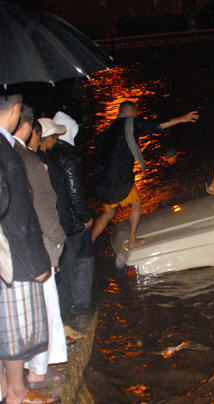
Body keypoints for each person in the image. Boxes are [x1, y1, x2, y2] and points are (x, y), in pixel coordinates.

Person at [0, 94, 59, 404]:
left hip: (8, 251)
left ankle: (9, 391)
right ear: (13, 111)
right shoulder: (6, 152)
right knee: (15, 333)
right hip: (12, 256)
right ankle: (17, 394)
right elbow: (18, 212)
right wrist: (38, 261)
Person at [13, 106, 68, 389]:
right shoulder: (29, 161)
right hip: (37, 248)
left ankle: (21, 368)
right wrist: (57, 243)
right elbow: (47, 209)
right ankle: (37, 370)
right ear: (30, 129)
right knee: (44, 309)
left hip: (12, 250)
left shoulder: (8, 155)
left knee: (16, 314)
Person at [92, 101, 199, 247]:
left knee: (108, 214)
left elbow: (99, 143)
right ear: (132, 112)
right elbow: (156, 125)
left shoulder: (111, 126)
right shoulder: (132, 122)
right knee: (136, 202)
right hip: (120, 177)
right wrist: (180, 119)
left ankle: (88, 243)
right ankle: (132, 240)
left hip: (104, 177)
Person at [39, 115, 94, 325]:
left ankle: (67, 309)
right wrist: (85, 217)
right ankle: (80, 307)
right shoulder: (67, 156)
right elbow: (74, 192)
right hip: (70, 220)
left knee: (66, 263)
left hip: (55, 221)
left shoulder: (43, 155)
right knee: (83, 259)